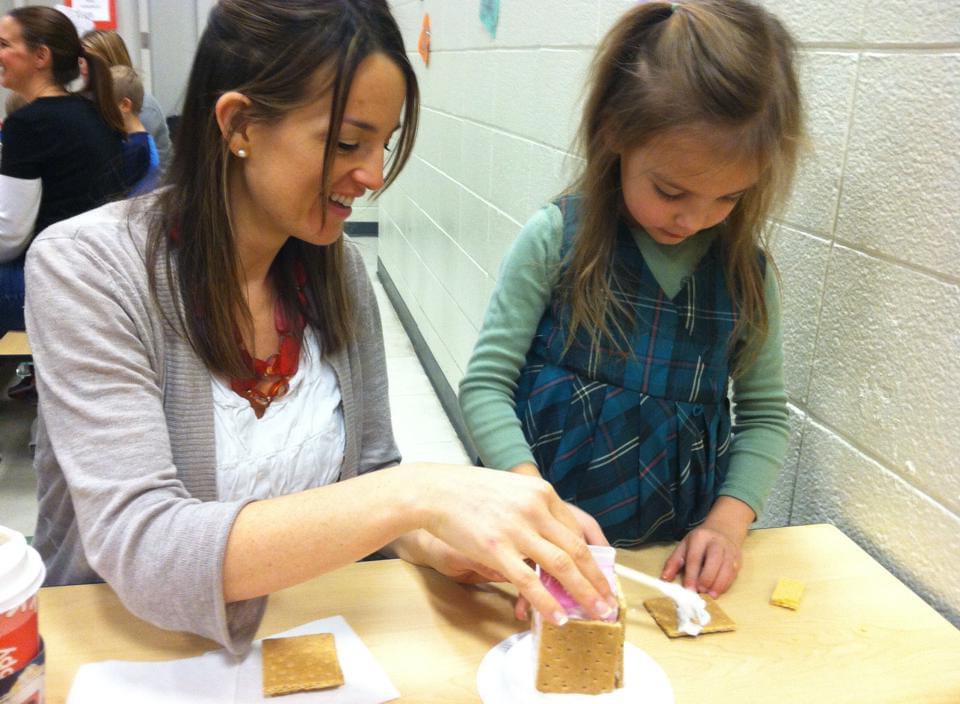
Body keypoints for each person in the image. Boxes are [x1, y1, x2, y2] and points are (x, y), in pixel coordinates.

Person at [24, 0, 615, 655]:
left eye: (382, 145)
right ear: (240, 122)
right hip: (124, 655)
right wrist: (416, 493)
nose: (373, 175)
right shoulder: (89, 269)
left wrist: (442, 540)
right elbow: (144, 542)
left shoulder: (338, 276)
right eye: (345, 142)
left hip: (297, 645)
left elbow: (368, 479)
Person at [459, 0, 803, 605]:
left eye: (727, 198)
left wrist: (727, 523)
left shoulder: (747, 276)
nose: (694, 218)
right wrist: (531, 499)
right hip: (531, 538)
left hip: (664, 559)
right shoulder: (555, 239)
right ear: (616, 131)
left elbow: (766, 416)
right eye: (670, 190)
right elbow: (486, 384)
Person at [0, 5, 127, 334]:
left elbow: (9, 237)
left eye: (4, 45)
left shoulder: (29, 123)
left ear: (40, 56)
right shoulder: (94, 111)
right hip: (99, 275)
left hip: (57, 282)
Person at [81, 29, 173, 175]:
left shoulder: (144, 106)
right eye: (81, 61)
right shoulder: (88, 101)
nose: (83, 68)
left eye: (90, 61)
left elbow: (148, 171)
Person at [110, 64, 160, 194]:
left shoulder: (138, 147)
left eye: (106, 104)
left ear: (125, 105)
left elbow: (116, 188)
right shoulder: (140, 141)